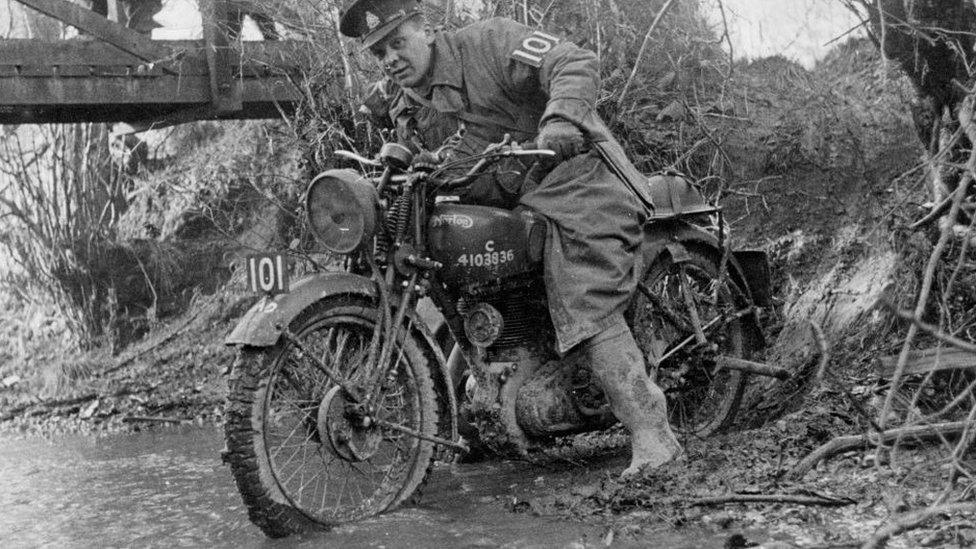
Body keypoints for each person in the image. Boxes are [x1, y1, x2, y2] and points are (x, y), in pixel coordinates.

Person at [339, 0, 681, 477]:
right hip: (510, 201)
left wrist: (560, 118)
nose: (391, 58)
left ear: (429, 30)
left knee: (582, 289)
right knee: (455, 280)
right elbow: (450, 154)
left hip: (577, 180)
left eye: (398, 42)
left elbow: (573, 61)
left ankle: (653, 434)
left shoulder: (490, 42)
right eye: (379, 53)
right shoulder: (403, 101)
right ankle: (487, 406)